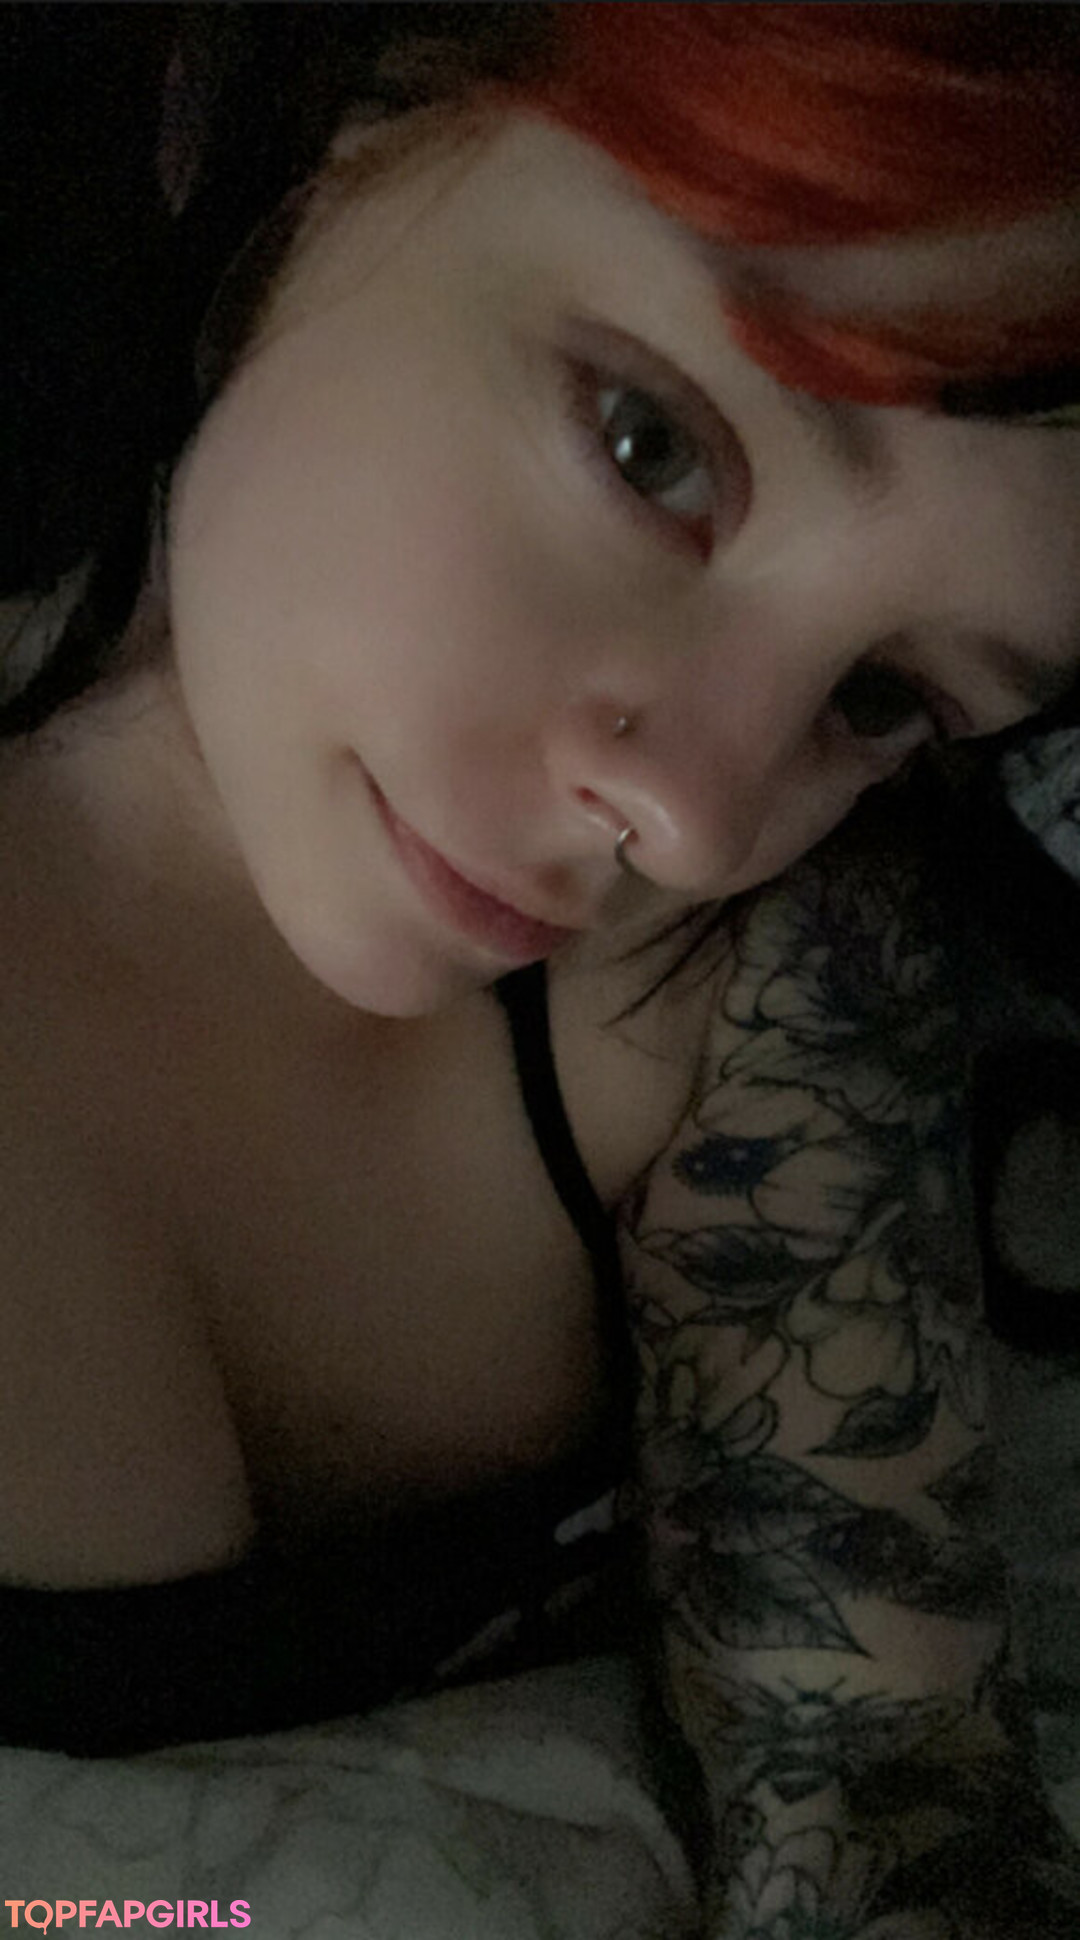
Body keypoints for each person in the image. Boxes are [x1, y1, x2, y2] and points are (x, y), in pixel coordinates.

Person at [4, 1, 1080, 1929]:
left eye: (880, 696)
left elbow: (888, 1804)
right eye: (651, 446)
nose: (695, 818)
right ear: (366, 127)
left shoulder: (756, 987)